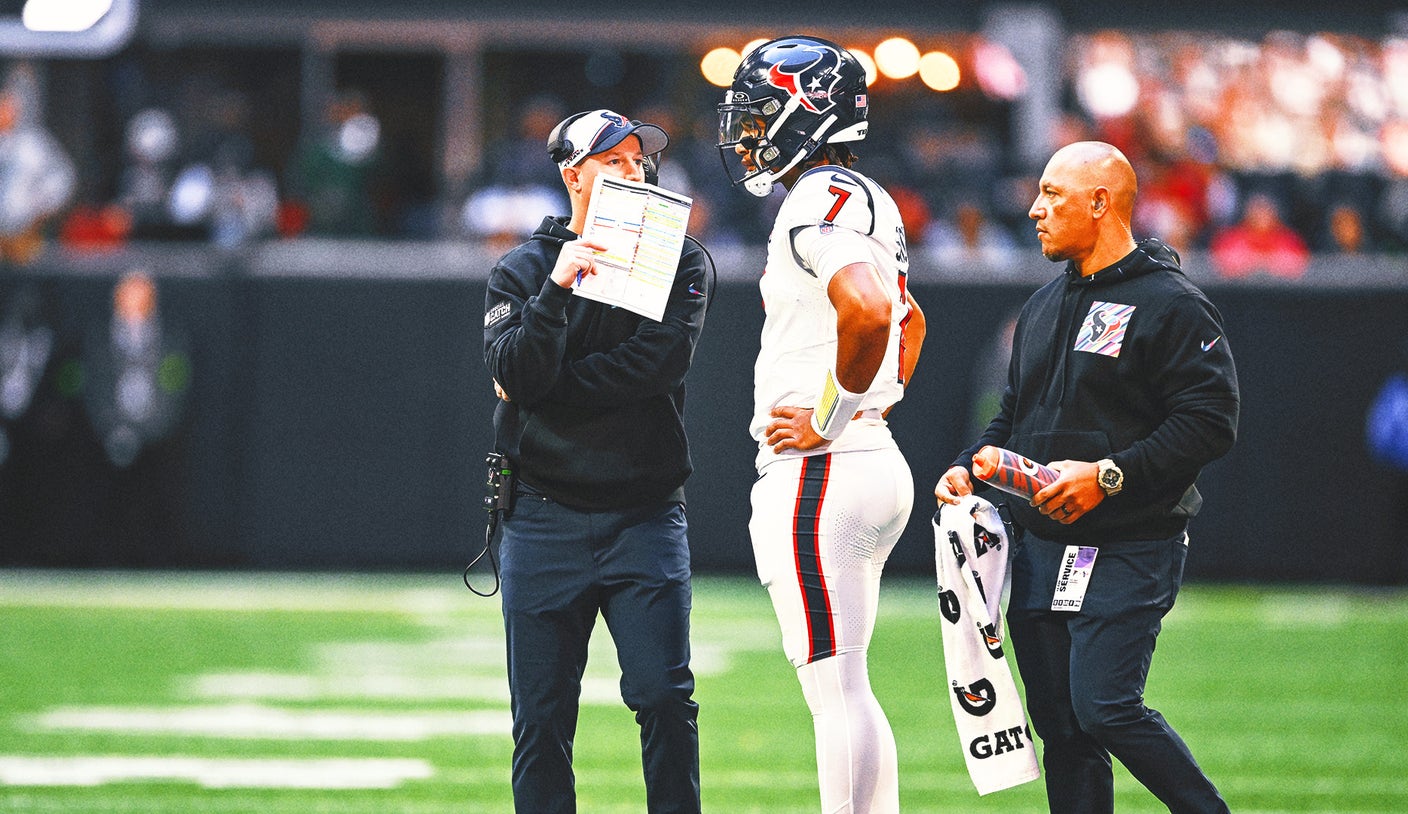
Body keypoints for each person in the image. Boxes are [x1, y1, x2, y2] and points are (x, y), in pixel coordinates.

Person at [935, 141, 1239, 814]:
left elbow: (1212, 423)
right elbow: (1012, 415)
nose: (1036, 211)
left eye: (1053, 195)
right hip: (1040, 549)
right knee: (1065, 732)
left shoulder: (1172, 304)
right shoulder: (1041, 306)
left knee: (1104, 708)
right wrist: (969, 466)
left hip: (1130, 542)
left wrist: (1107, 476)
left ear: (1101, 202)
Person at [716, 35, 926, 813]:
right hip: (866, 462)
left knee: (834, 692)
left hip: (825, 472)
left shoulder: (817, 198)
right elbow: (913, 321)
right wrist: (874, 401)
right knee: (848, 687)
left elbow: (874, 313)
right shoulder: (865, 197)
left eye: (761, 114)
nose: (747, 133)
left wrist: (832, 417)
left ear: (808, 112)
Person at [482, 108, 711, 814]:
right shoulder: (522, 269)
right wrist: (555, 292)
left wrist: (543, 388)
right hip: (543, 517)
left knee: (664, 697)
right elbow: (517, 366)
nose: (634, 172)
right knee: (542, 718)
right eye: (615, 161)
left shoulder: (682, 258)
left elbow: (655, 366)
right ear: (572, 174)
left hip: (643, 513)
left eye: (639, 161)